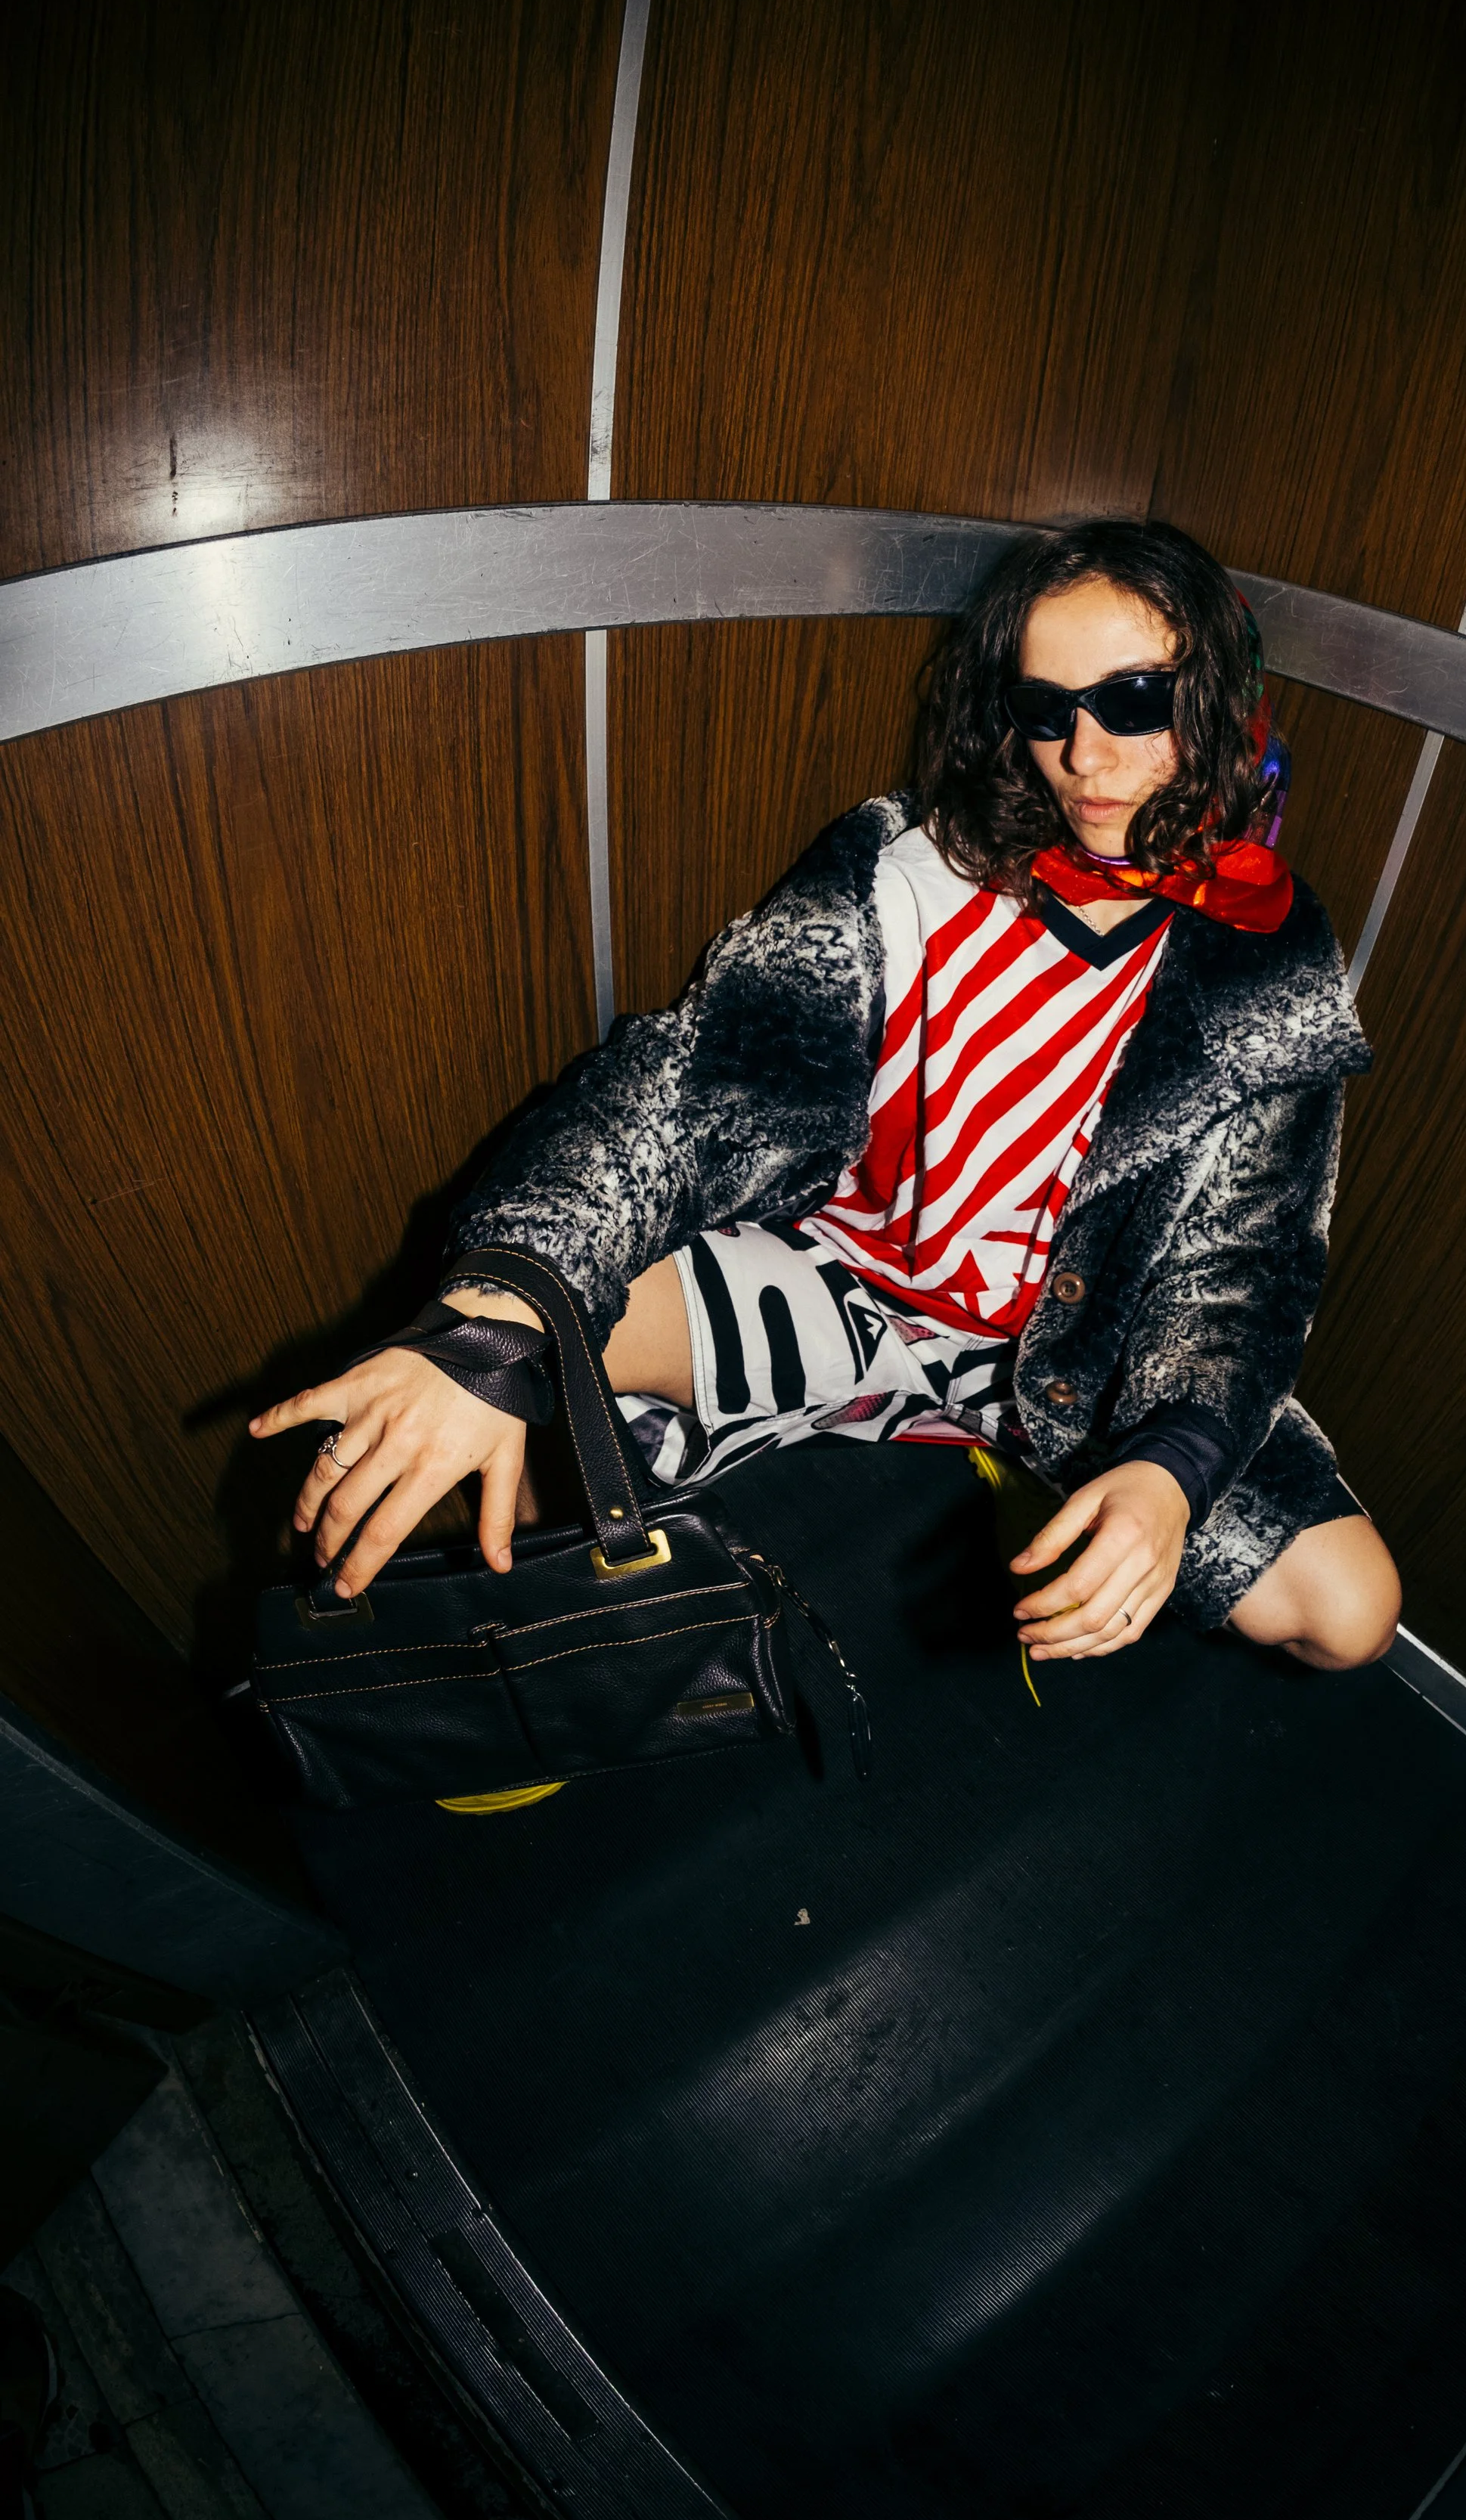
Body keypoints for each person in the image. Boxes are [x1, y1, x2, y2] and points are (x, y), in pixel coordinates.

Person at [253, 521, 1399, 1672]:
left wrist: (1171, 1471)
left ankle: (1003, 1442)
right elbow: (690, 1091)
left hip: (1079, 1358)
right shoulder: (909, 864)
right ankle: (538, 1654)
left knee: (1351, 1611)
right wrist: (498, 1316)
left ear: (1216, 695)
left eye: (1132, 701)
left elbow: (1246, 1260)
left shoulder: (1269, 948)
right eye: (1046, 709)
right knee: (518, 1351)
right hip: (839, 1283)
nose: (1084, 757)